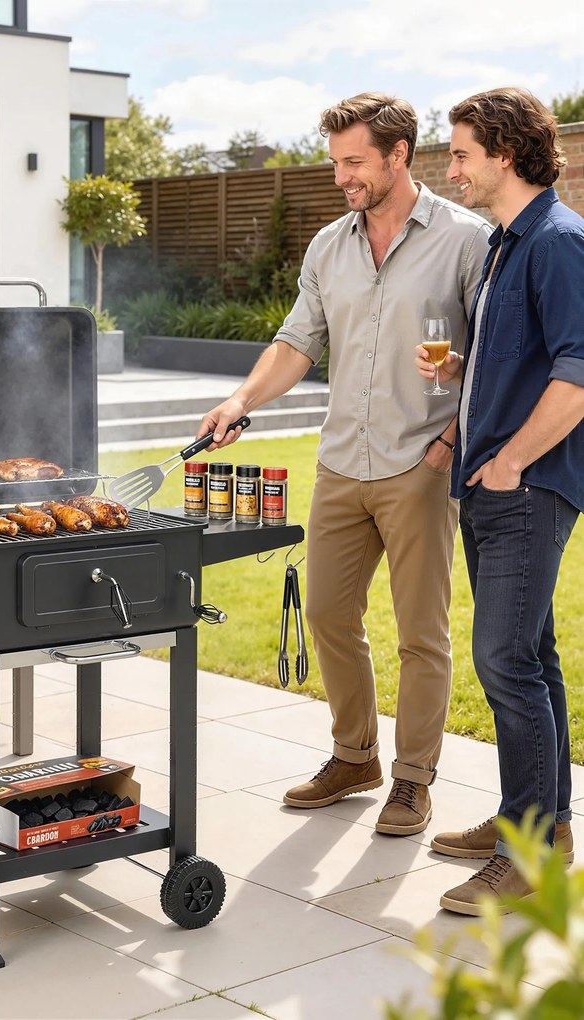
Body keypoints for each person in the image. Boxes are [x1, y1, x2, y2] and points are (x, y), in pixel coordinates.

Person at [198, 93, 491, 835]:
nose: (341, 177)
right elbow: (297, 342)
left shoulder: (466, 240)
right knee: (328, 612)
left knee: (421, 633)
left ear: (399, 155)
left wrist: (449, 440)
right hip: (341, 463)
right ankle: (355, 755)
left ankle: (413, 780)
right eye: (335, 163)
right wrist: (239, 400)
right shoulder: (329, 245)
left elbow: (490, 357)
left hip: (421, 461)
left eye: (354, 162)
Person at [411, 88, 584, 914]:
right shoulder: (503, 246)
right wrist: (458, 371)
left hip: (526, 486)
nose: (451, 170)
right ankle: (546, 827)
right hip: (487, 480)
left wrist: (513, 461)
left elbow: (578, 374)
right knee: (531, 657)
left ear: (505, 155)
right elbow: (513, 359)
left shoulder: (558, 241)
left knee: (503, 661)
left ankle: (528, 851)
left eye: (461, 154)